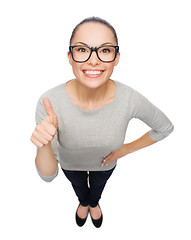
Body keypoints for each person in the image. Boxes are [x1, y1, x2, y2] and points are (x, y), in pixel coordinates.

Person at [30, 17, 174, 228]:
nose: (93, 60)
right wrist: (42, 145)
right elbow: (48, 176)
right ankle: (83, 202)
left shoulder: (130, 99)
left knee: (97, 188)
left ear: (116, 58)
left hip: (106, 165)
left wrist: (124, 150)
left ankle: (94, 203)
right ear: (70, 57)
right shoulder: (50, 102)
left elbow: (165, 128)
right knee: (79, 188)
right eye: (82, 50)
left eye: (105, 50)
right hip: (70, 166)